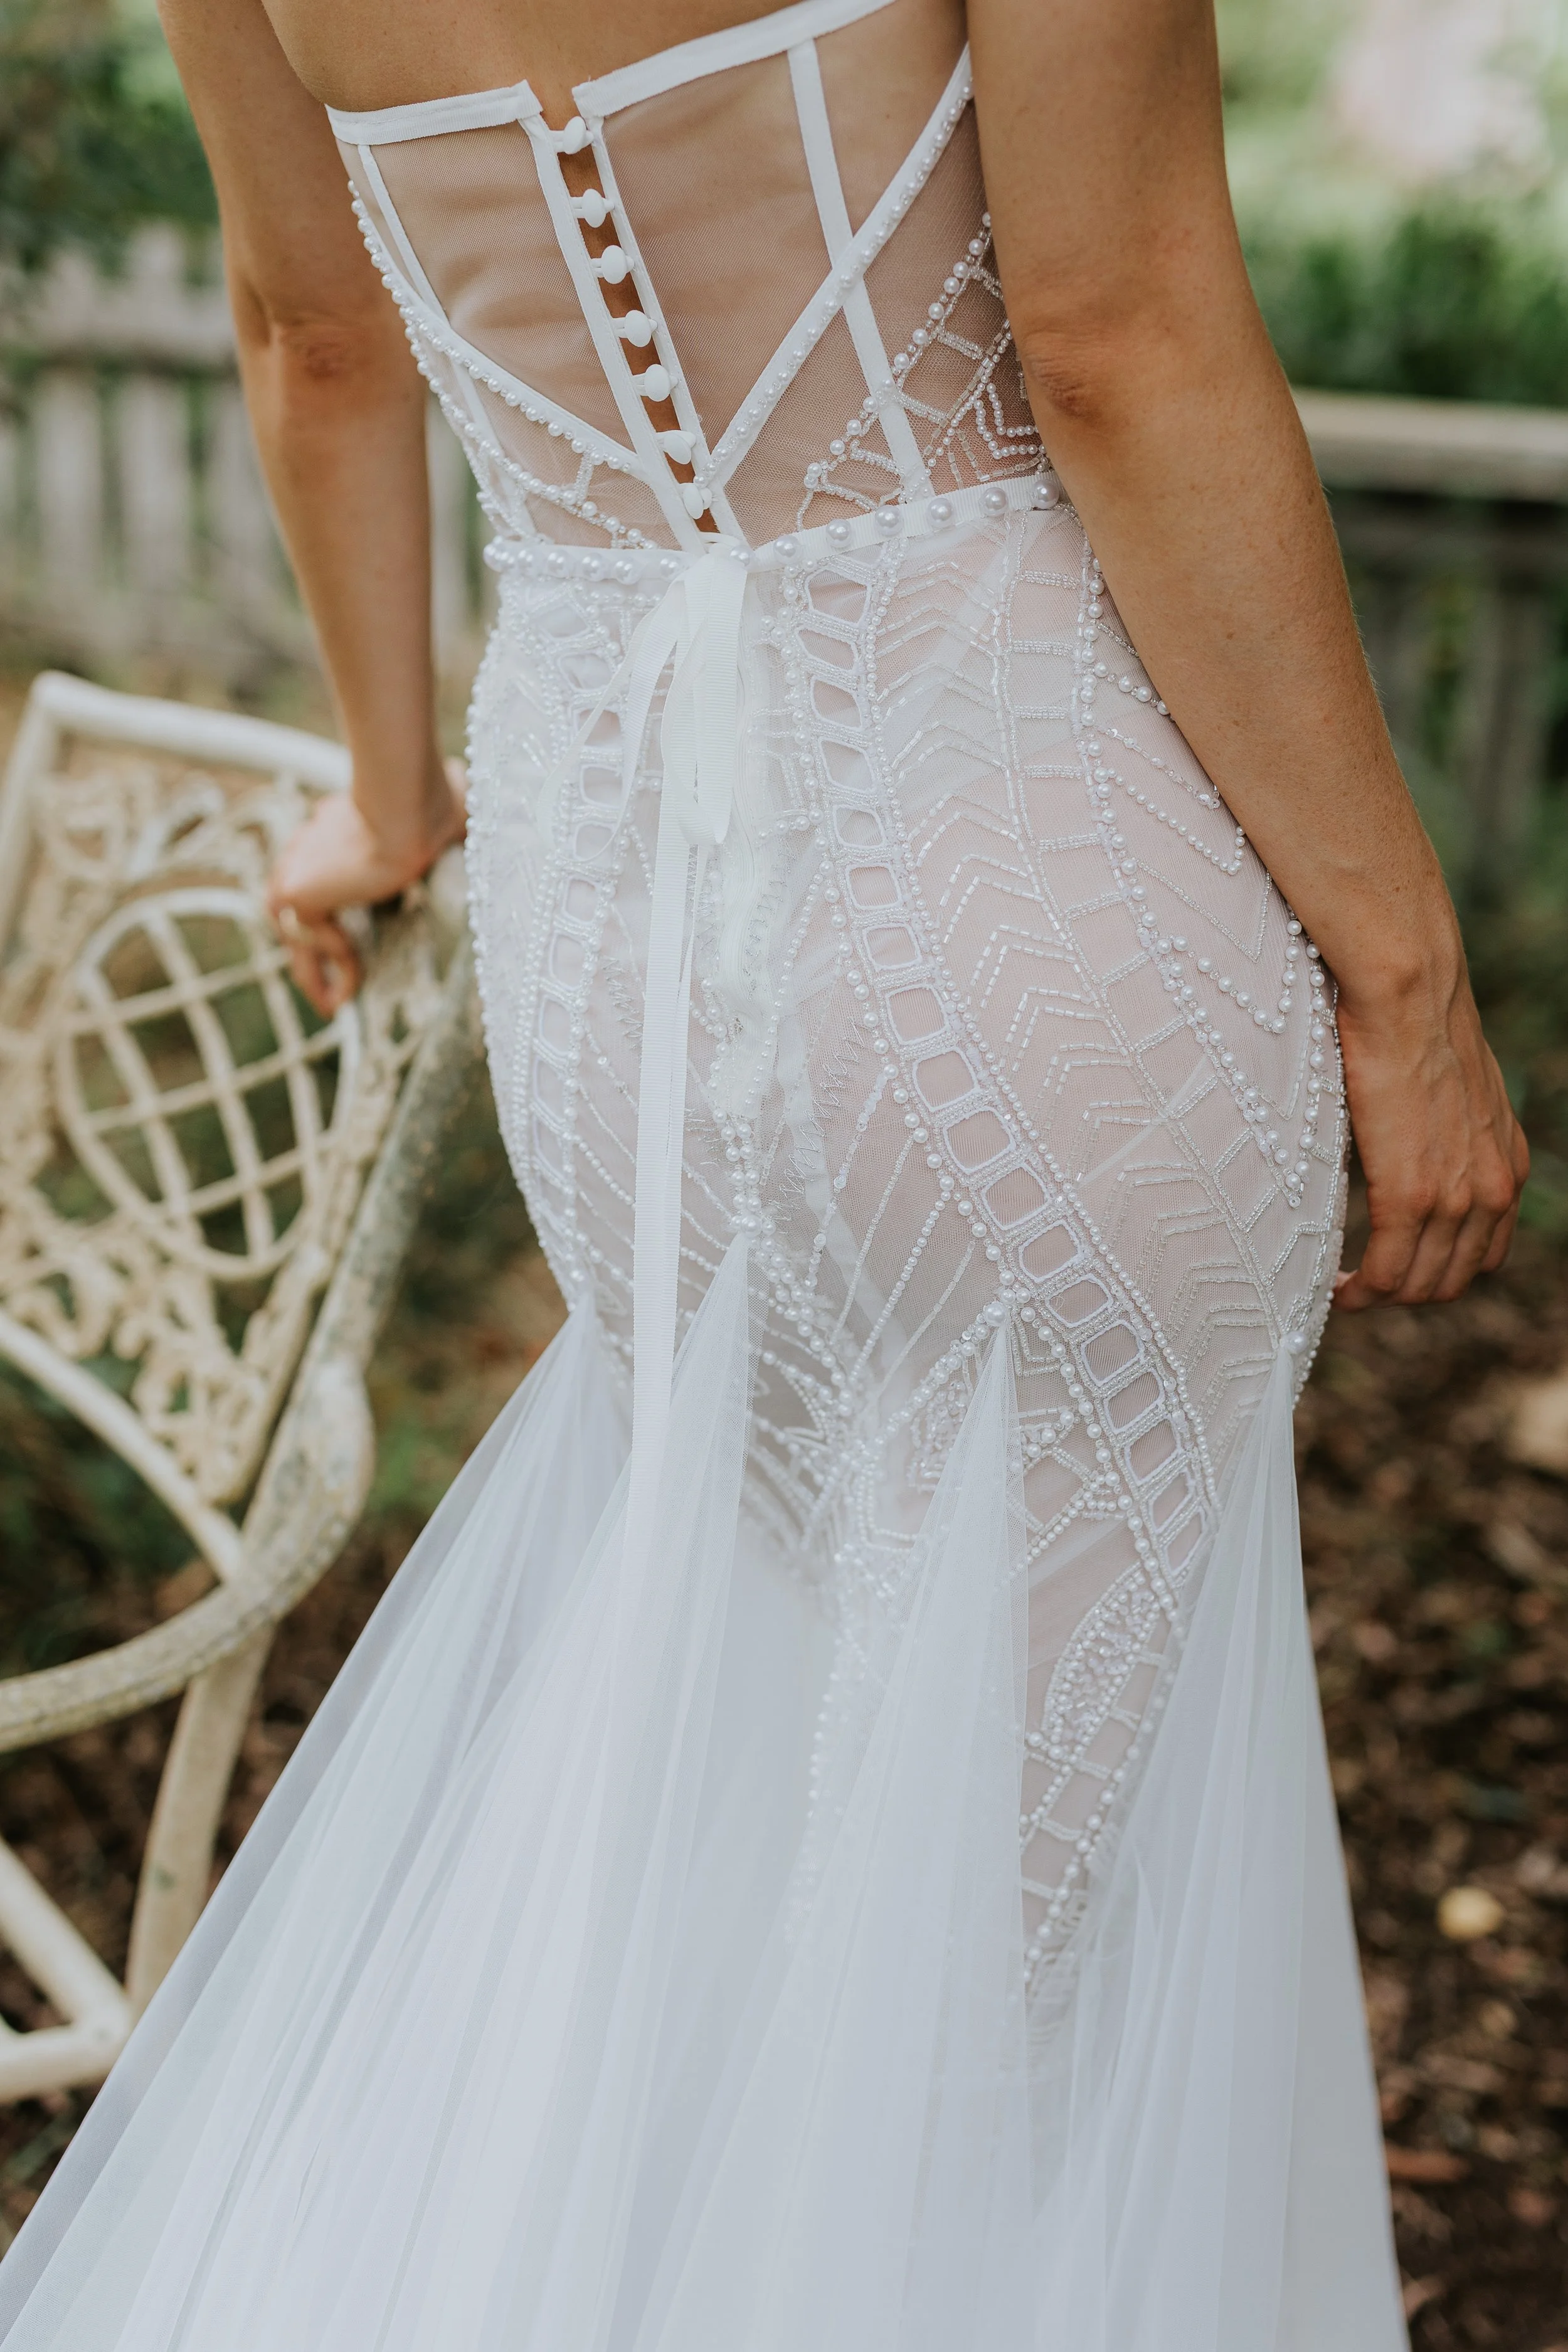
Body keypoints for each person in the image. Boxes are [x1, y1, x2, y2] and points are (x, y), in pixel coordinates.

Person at [0, 2, 1527, 2345]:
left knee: (784, 1790)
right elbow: (1114, 335)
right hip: (1025, 882)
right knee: (1024, 1955)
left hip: (618, 943)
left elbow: (315, 339)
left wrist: (394, 790)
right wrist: (1405, 974)